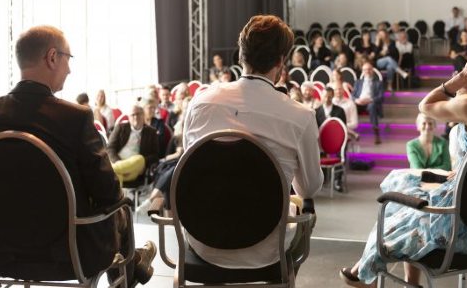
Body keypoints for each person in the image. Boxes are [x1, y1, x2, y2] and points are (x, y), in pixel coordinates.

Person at [340, 15, 467, 288]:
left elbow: (425, 107)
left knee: (397, 188)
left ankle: (367, 269)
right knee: (407, 179)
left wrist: (460, 79)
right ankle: (382, 274)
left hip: (457, 230)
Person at [0, 26, 155, 284]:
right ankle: (131, 269)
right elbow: (107, 192)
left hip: (3, 252)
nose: (70, 69)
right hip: (71, 254)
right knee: (121, 207)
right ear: (52, 57)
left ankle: (135, 263)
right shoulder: (75, 117)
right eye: (68, 58)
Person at [184, 14, 322, 269]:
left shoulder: (200, 102)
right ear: (281, 61)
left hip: (202, 241)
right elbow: (309, 188)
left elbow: (189, 163)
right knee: (304, 208)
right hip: (268, 249)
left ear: (241, 55)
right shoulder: (300, 116)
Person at [106, 102, 159, 183]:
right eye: (133, 115)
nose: (136, 117)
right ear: (129, 117)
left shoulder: (151, 132)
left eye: (138, 114)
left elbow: (155, 155)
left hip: (136, 167)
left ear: (143, 115)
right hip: (118, 161)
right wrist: (119, 162)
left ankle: (111, 171)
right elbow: (110, 148)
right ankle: (118, 171)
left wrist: (144, 162)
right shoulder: (120, 128)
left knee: (140, 159)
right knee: (118, 177)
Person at [353, 61, 384, 144]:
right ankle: (347, 132)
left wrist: (370, 100)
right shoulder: (358, 82)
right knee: (349, 105)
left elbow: (381, 97)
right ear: (362, 71)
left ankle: (376, 134)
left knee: (372, 106)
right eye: (365, 69)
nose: (367, 71)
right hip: (359, 103)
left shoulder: (378, 83)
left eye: (369, 69)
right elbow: (353, 95)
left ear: (372, 70)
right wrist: (356, 100)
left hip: (370, 102)